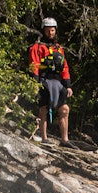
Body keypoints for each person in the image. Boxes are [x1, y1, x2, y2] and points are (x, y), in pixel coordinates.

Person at [29, 17, 73, 147]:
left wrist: (68, 85)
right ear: (43, 30)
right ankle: (44, 138)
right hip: (43, 80)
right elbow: (34, 65)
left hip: (57, 82)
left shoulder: (58, 48)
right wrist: (35, 84)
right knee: (43, 109)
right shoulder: (37, 47)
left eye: (52, 30)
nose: (50, 33)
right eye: (48, 30)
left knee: (64, 109)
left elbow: (64, 67)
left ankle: (65, 140)